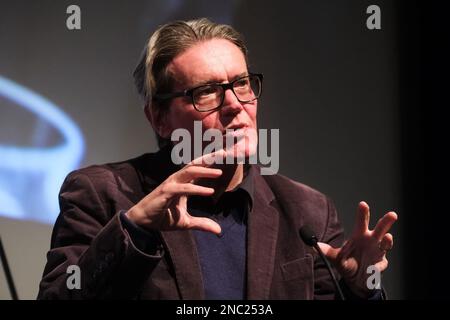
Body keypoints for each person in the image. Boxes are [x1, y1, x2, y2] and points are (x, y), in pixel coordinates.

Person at [37, 18, 397, 300]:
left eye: (242, 84)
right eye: (207, 92)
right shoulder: (104, 195)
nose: (234, 105)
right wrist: (134, 229)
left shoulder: (307, 211)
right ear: (159, 118)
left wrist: (360, 288)